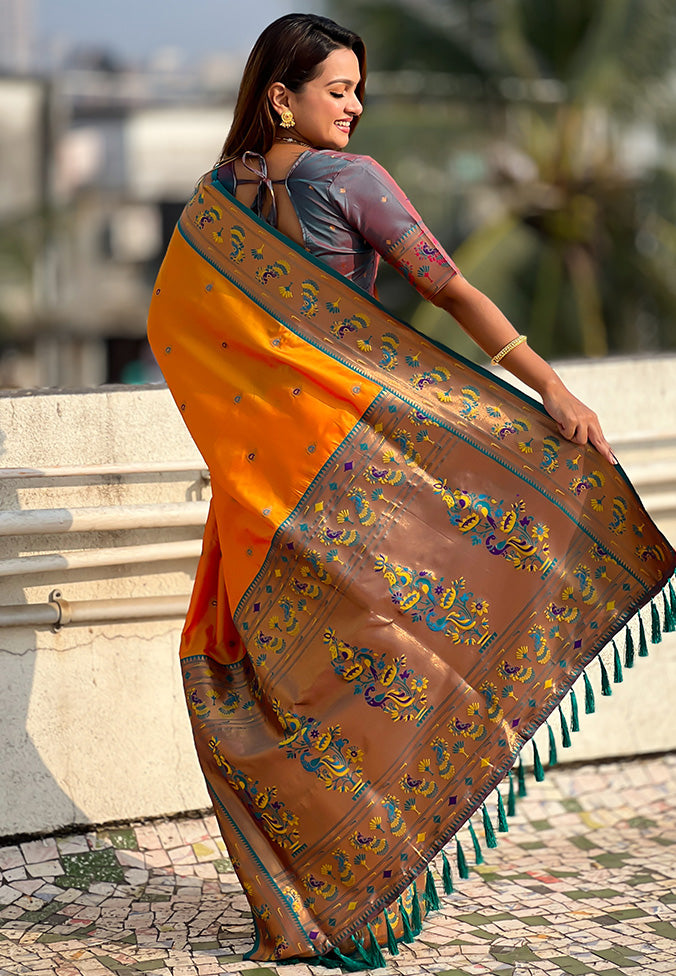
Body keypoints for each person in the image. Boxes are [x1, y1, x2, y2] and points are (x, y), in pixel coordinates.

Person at [148, 13, 676, 968]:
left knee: (281, 690)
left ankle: (313, 904)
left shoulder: (209, 209)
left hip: (261, 504)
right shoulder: (350, 182)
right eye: (338, 88)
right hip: (355, 488)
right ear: (282, 96)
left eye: (359, 90)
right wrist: (549, 387)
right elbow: (452, 289)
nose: (355, 105)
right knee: (378, 682)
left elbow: (174, 334)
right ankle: (341, 897)